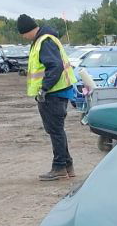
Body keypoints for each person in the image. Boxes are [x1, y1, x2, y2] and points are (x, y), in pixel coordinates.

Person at [17, 14, 78, 181]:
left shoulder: (44, 41)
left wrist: (44, 88)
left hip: (53, 94)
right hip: (56, 92)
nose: (23, 37)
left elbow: (55, 66)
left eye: (23, 34)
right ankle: (67, 165)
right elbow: (46, 67)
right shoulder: (44, 39)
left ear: (28, 30)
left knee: (55, 131)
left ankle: (59, 167)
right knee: (56, 130)